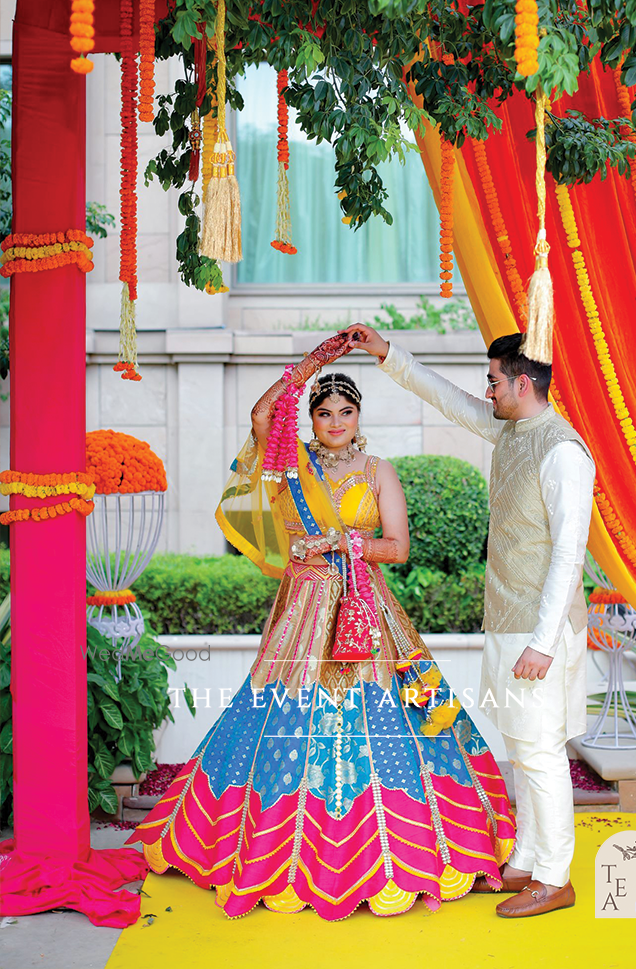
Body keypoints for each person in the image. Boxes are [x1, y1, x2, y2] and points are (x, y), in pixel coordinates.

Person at [127, 334, 516, 921]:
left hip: (366, 608)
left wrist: (340, 541)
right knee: (282, 715)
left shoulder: (380, 470)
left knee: (393, 713)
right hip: (305, 610)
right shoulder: (291, 462)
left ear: (360, 415)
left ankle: (409, 843)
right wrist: (317, 362)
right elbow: (263, 413)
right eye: (324, 412)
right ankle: (269, 844)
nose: (335, 422)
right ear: (310, 417)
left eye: (346, 411)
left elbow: (399, 546)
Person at [346, 324, 595, 919]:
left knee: (540, 751)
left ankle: (556, 878)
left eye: (493, 381)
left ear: (523, 382)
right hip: (507, 619)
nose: (486, 392)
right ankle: (529, 861)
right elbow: (449, 401)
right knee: (520, 745)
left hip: (541, 630)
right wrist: (389, 355)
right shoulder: (513, 431)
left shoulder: (562, 449)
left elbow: (568, 553)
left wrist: (540, 642)